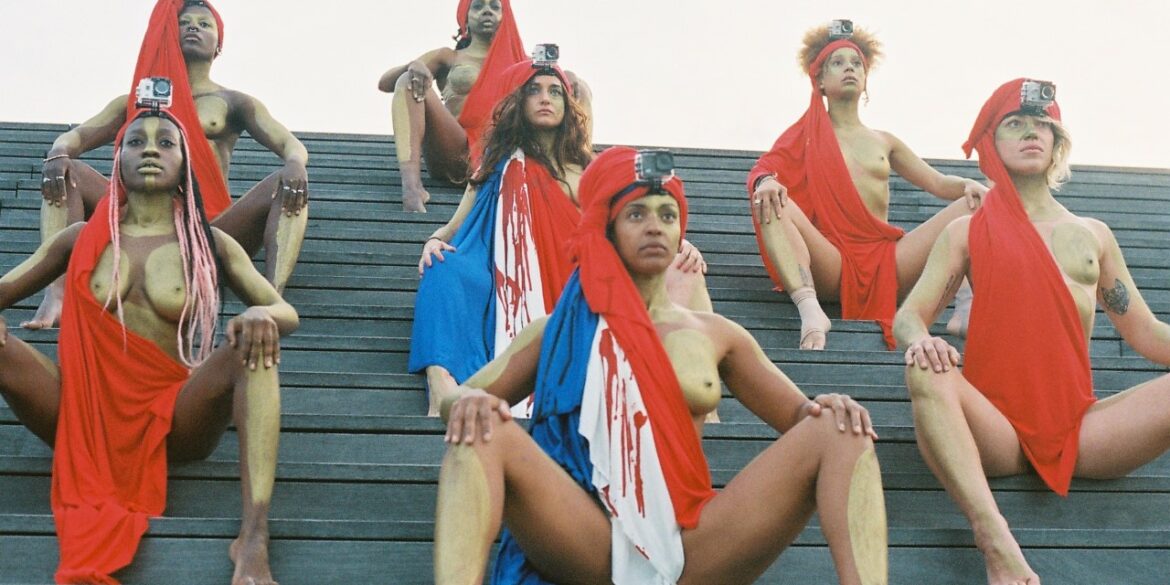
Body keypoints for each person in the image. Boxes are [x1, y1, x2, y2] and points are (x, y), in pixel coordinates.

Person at [432, 146, 888, 585]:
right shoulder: (554, 329)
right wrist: (467, 401)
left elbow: (801, 415)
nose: (655, 227)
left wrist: (832, 405)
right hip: (587, 535)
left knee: (841, 428)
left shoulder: (718, 334)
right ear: (607, 227)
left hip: (689, 538)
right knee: (481, 427)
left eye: (667, 216)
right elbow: (457, 400)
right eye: (636, 215)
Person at [0, 109, 296, 584]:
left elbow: (285, 312)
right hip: (80, 412)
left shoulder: (211, 242)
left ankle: (254, 536)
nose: (151, 150)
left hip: (172, 414)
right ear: (118, 160)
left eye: (166, 142)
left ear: (185, 162)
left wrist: (262, 314)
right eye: (136, 142)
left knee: (256, 347)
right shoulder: (78, 239)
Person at [895, 78, 1170, 585]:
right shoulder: (965, 231)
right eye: (1014, 124)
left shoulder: (1094, 234)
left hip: (1080, 428)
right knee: (925, 372)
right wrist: (923, 340)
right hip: (994, 429)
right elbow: (908, 317)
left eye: (1042, 125)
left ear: (1056, 141)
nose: (1030, 133)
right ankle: (993, 537)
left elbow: (1147, 334)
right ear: (991, 142)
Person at [409, 59, 708, 419]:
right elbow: (454, 226)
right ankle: (441, 389)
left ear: (567, 106)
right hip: (504, 277)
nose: (545, 98)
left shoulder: (589, 169)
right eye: (534, 91)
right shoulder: (497, 163)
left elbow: (630, 222)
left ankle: (699, 400)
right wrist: (433, 241)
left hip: (579, 273)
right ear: (519, 102)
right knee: (442, 267)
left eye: (555, 92)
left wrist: (678, 244)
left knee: (684, 268)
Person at [27, 0, 309, 330]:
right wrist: (59, 151)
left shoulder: (235, 102)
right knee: (67, 171)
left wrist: (295, 163)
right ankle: (57, 293)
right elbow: (75, 137)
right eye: (184, 22)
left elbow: (291, 144)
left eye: (204, 24)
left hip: (209, 228)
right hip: (137, 223)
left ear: (219, 44)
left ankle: (272, 301)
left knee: (288, 183)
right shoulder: (135, 99)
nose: (193, 28)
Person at [747, 22, 987, 350]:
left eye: (856, 63)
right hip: (831, 260)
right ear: (819, 80)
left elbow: (937, 182)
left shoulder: (884, 140)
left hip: (889, 261)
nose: (849, 68)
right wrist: (766, 181)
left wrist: (969, 183)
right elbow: (762, 169)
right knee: (768, 197)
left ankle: (967, 304)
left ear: (865, 78)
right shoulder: (802, 136)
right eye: (837, 62)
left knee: (977, 202)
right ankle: (810, 309)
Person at [377, 0, 592, 212]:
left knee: (580, 87)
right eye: (478, 6)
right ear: (465, 17)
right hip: (456, 151)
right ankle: (412, 188)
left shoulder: (526, 63)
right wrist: (411, 66)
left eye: (495, 6)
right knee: (408, 80)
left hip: (509, 156)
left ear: (506, 15)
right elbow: (385, 84)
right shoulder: (449, 56)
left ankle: (583, 175)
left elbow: (550, 95)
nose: (487, 11)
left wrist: (566, 76)